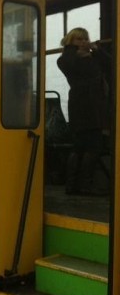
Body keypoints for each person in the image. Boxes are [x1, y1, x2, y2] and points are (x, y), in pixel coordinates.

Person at [57, 27, 111, 195]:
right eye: (78, 39)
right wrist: (74, 49)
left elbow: (111, 64)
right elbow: (68, 62)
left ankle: (74, 185)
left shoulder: (93, 58)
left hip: (94, 105)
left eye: (85, 39)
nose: (83, 42)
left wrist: (97, 50)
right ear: (70, 42)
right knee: (88, 146)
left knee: (83, 146)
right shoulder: (67, 59)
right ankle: (82, 185)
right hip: (82, 105)